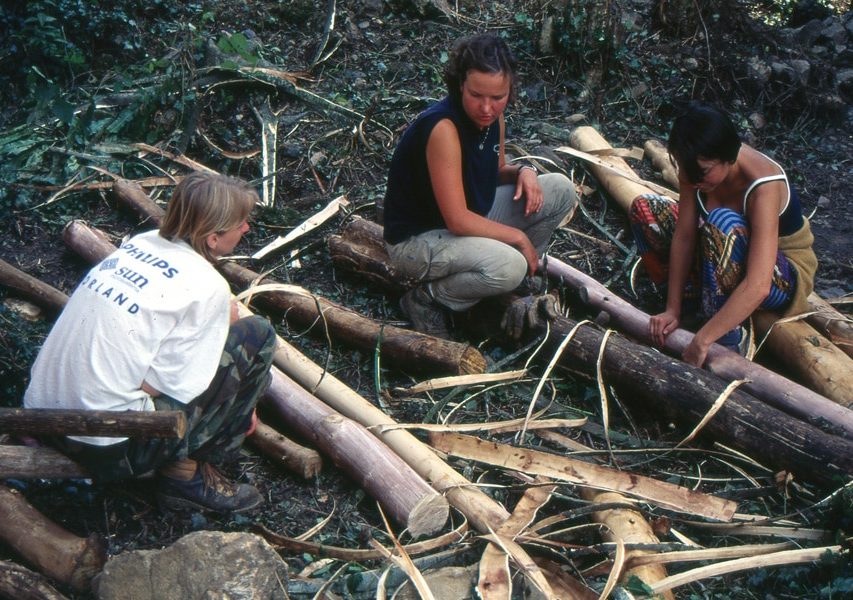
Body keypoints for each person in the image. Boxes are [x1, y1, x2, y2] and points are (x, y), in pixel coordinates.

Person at [24, 171, 277, 513]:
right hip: (107, 445)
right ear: (213, 238)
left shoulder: (142, 243)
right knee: (258, 335)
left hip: (41, 416)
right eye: (241, 223)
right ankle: (186, 475)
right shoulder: (208, 285)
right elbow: (164, 385)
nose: (246, 229)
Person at [382, 32, 578, 339]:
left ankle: (519, 278)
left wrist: (523, 171)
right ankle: (428, 299)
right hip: (416, 242)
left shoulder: (492, 120)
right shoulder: (443, 128)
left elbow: (495, 170)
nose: (486, 108)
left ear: (509, 90)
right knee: (509, 264)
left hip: (467, 220)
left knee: (559, 189)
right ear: (461, 84)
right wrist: (518, 239)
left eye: (497, 98)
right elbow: (457, 220)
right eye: (476, 95)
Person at [629, 101, 818, 367]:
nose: (694, 180)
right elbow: (684, 237)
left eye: (703, 172)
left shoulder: (764, 185)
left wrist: (703, 339)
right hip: (720, 253)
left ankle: (728, 338)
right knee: (646, 208)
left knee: (723, 222)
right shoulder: (694, 164)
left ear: (729, 158)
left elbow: (758, 285)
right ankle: (689, 306)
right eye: (687, 171)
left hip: (780, 272)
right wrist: (673, 308)